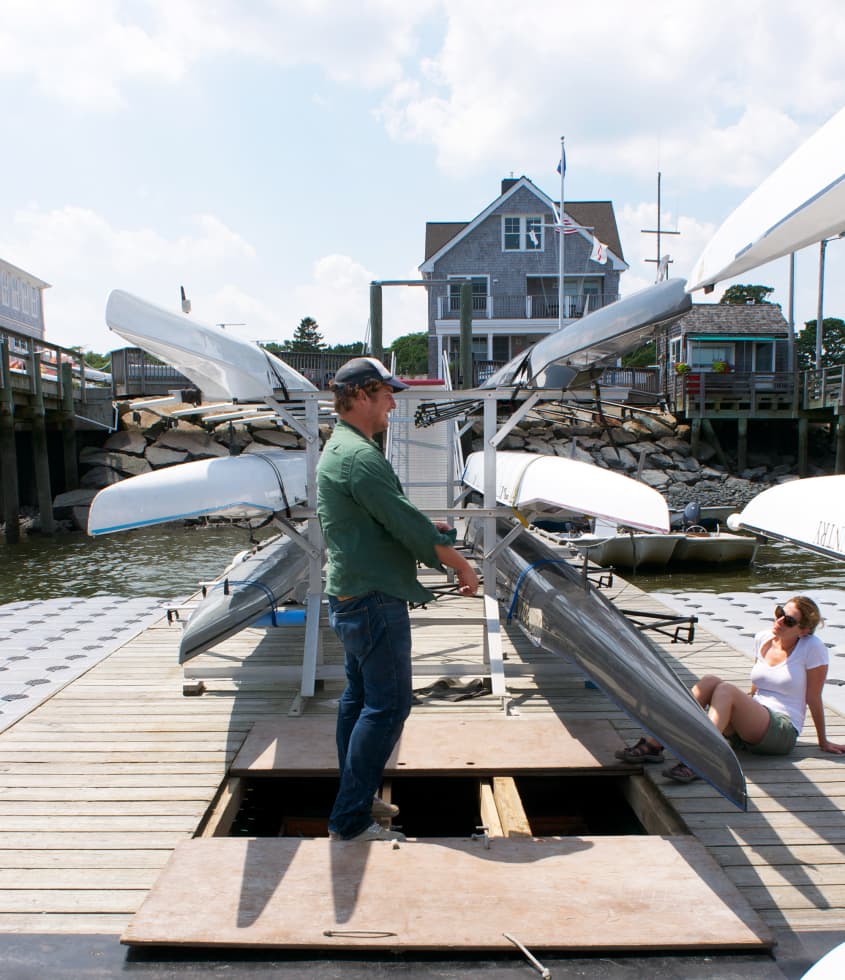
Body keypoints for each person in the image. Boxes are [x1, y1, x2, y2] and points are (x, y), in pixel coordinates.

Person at [317, 357, 479, 841]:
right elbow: (406, 526)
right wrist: (461, 564)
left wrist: (427, 528)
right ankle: (350, 819)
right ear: (361, 395)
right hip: (372, 599)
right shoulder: (360, 457)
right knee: (388, 707)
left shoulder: (343, 448)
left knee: (358, 700)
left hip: (350, 594)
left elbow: (387, 515)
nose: (392, 402)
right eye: (387, 393)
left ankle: (356, 798)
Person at [616, 595, 845, 782]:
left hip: (781, 730)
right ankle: (655, 744)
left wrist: (823, 741)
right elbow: (757, 687)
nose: (779, 621)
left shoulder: (812, 648)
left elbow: (813, 697)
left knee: (725, 689)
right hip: (753, 723)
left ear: (803, 631)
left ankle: (704, 758)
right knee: (709, 681)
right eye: (779, 613)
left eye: (789, 621)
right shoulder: (763, 638)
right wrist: (739, 707)